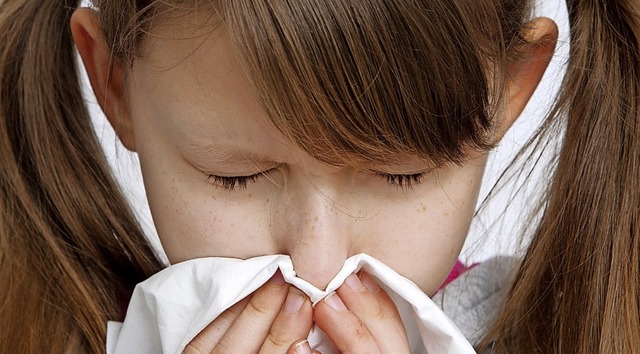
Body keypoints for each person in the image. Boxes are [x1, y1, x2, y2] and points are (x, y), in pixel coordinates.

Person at [0, 0, 638, 352]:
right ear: (115, 86)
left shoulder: (562, 331)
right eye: (237, 177)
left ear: (507, 95)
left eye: (399, 175)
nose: (316, 263)